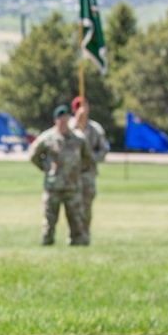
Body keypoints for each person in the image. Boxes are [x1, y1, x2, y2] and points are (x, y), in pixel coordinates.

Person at [28, 104, 93, 246]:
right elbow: (33, 155)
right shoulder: (47, 137)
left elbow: (87, 158)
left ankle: (78, 243)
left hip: (73, 185)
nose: (63, 121)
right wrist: (46, 168)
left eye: (66, 118)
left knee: (76, 218)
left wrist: (79, 170)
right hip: (53, 185)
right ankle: (47, 242)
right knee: (49, 218)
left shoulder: (79, 138)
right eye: (60, 118)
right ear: (55, 120)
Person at [70, 96, 109, 242]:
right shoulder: (68, 126)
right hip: (70, 176)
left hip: (88, 174)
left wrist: (92, 157)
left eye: (85, 105)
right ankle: (73, 236)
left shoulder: (95, 129)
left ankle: (84, 236)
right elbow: (65, 140)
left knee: (86, 208)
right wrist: (76, 123)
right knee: (72, 209)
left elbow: (104, 150)